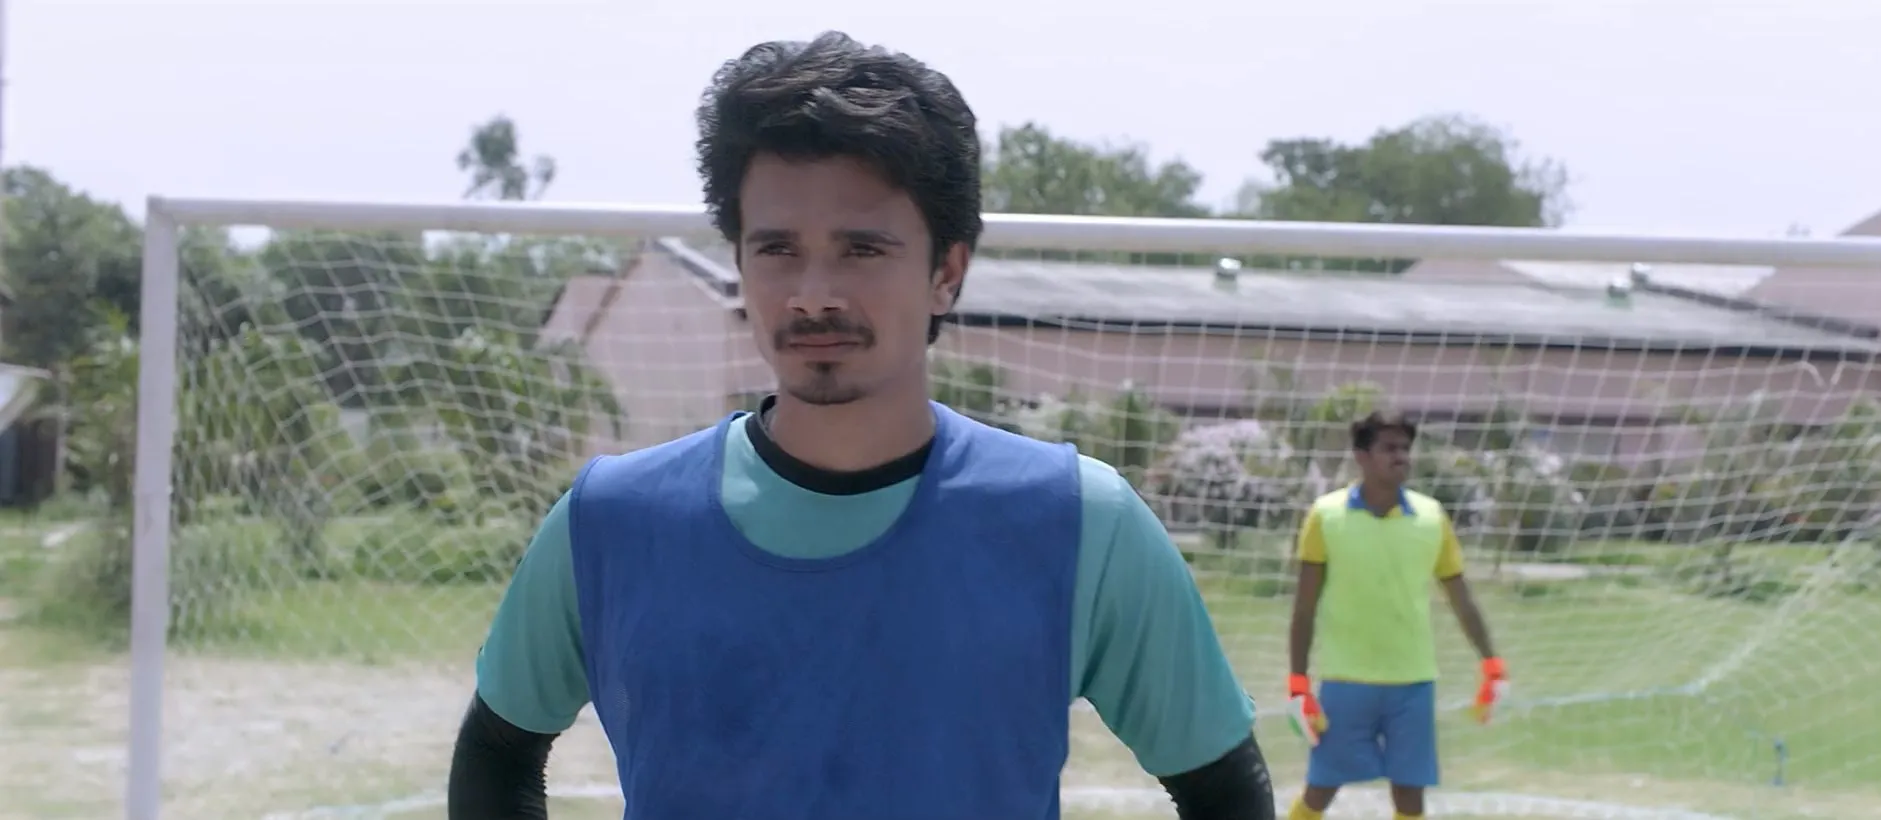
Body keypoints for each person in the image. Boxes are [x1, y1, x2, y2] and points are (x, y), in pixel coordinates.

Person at [446, 31, 1274, 820]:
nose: (813, 294)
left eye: (862, 249)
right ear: (739, 262)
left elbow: (1224, 789)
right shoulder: (613, 518)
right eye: (777, 249)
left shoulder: (1080, 520)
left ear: (946, 271)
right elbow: (498, 751)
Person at [1283, 411, 1507, 820]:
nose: (1401, 456)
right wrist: (1298, 681)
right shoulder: (1325, 515)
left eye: (1405, 448)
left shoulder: (1431, 516)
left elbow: (1461, 597)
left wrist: (1491, 662)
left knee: (1410, 793)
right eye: (1389, 448)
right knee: (1321, 787)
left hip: (1413, 681)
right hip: (1346, 679)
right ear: (1362, 456)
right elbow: (1304, 606)